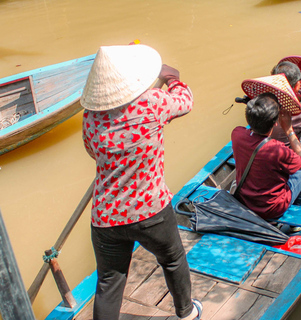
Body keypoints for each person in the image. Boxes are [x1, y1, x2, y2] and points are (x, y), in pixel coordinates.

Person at [81, 44, 202, 320]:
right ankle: (187, 312)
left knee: (109, 282)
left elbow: (93, 152)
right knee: (172, 259)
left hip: (106, 217)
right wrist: (173, 78)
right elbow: (185, 100)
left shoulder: (90, 117)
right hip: (150, 210)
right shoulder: (153, 102)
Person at [232, 90, 301, 221]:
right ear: (276, 123)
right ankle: (298, 219)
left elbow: (250, 130)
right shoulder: (277, 149)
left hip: (244, 201)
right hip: (272, 209)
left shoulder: (237, 134)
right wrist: (289, 130)